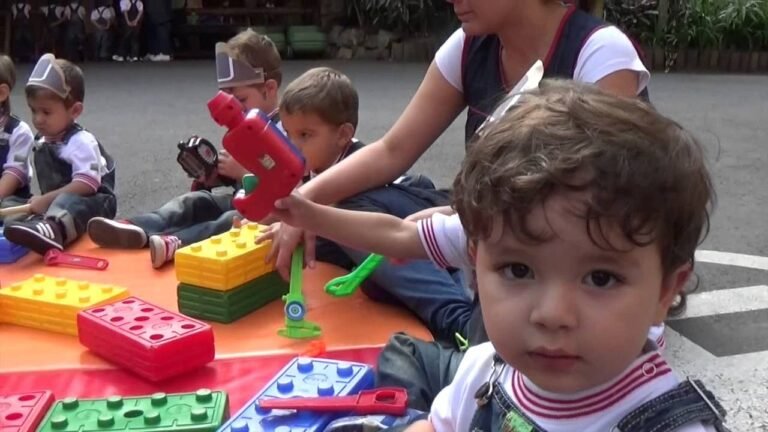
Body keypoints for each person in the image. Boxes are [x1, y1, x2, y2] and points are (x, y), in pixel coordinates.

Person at [266, 80, 728, 432]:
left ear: (665, 290)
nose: (552, 314)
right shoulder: (483, 373)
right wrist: (308, 212)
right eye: (518, 270)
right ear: (474, 262)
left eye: (601, 278)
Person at [266, 0, 653, 410]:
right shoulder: (470, 44)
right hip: (501, 261)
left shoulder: (598, 52)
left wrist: (458, 217)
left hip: (560, 291)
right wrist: (303, 204)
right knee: (350, 231)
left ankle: (464, 326)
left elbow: (599, 206)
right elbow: (393, 150)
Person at [88, 29, 281, 268]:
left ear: (269, 89)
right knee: (193, 202)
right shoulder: (243, 128)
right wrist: (214, 175)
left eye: (241, 100)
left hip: (265, 213)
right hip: (238, 198)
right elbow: (234, 177)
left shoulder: (284, 129)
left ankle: (178, 243)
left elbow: (286, 184)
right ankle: (137, 227)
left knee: (229, 220)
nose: (235, 110)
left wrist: (242, 173)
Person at [277, 67, 451, 282]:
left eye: (305, 135)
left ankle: (445, 295)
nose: (292, 145)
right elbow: (286, 204)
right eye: (288, 134)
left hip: (420, 219)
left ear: (343, 135)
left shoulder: (355, 166)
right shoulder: (309, 163)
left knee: (327, 232)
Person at [3, 54, 117, 255]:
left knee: (68, 203)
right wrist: (42, 201)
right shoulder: (43, 139)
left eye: (46, 112)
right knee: (11, 204)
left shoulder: (81, 141)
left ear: (75, 111)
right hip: (55, 202)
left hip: (92, 203)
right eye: (33, 110)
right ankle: (34, 226)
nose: (38, 119)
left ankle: (53, 230)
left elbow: (87, 184)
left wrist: (47, 199)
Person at [0, 55, 35, 219]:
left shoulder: (18, 132)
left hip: (9, 199)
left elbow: (13, 175)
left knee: (12, 215)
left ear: (1, 93)